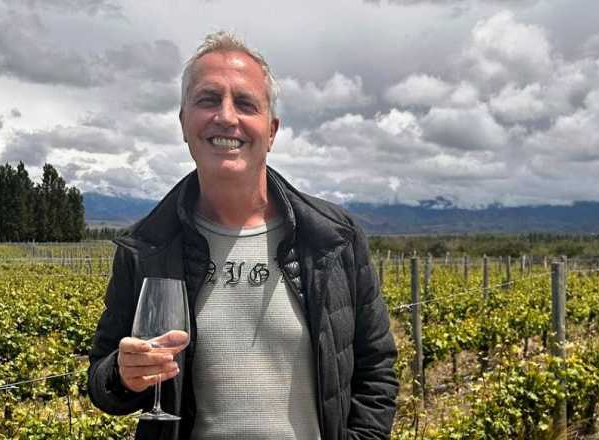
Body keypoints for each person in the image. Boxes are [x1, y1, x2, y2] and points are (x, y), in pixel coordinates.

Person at [87, 31, 399, 440]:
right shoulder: (147, 246)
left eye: (245, 103)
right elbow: (101, 383)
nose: (226, 117)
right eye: (207, 99)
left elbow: (376, 371)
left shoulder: (333, 239)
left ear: (271, 130)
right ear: (184, 122)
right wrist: (124, 376)